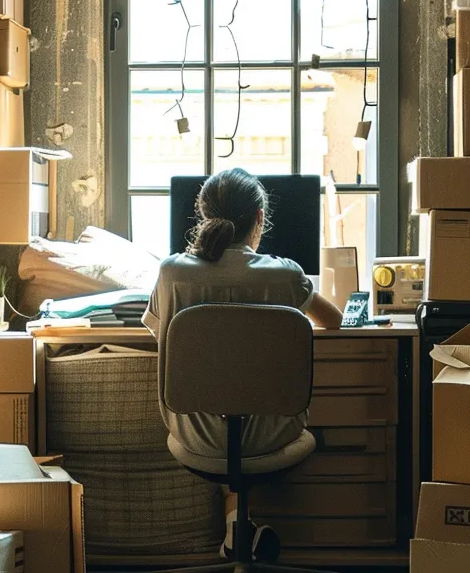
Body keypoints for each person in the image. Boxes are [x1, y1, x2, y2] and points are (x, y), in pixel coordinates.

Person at [143, 168, 344, 560]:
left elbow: (158, 331)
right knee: (248, 420)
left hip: (196, 440)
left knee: (221, 421)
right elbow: (333, 320)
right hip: (272, 439)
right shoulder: (285, 275)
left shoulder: (171, 273)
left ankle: (237, 533)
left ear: (203, 215)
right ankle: (241, 532)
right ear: (259, 218)